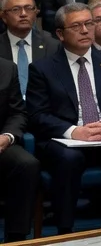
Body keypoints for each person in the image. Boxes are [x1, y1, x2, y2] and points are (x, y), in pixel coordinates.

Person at [25, 2, 101, 233]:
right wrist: (74, 131)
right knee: (69, 159)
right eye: (76, 25)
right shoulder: (42, 69)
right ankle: (66, 229)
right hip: (67, 141)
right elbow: (38, 115)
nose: (85, 30)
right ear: (60, 34)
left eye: (89, 23)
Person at [0, 55, 38, 241]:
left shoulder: (7, 68)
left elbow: (18, 113)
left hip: (0, 142)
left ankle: (16, 238)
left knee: (26, 164)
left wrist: (7, 137)